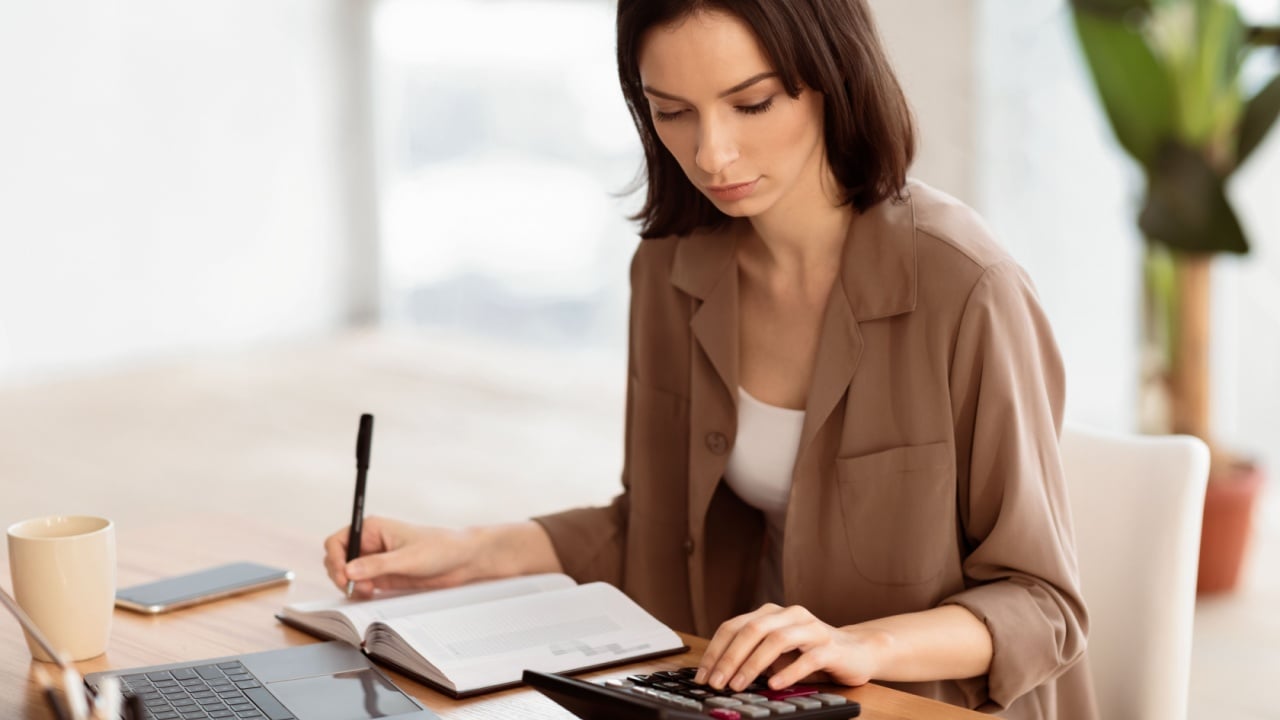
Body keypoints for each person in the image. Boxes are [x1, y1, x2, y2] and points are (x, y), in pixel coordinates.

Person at [323, 1, 1097, 718]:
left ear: (833, 77)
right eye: (672, 113)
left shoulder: (967, 287)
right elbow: (652, 530)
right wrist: (465, 551)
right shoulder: (669, 269)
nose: (712, 152)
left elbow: (1043, 603)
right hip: (743, 698)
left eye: (751, 104)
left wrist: (860, 644)